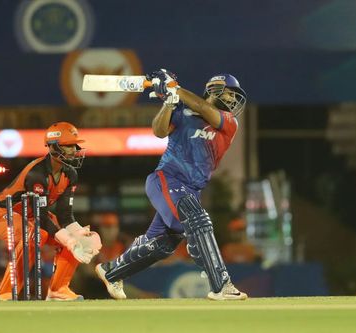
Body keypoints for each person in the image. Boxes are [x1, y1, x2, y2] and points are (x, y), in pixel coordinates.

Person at [96, 69, 248, 300]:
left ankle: (112, 271)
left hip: (192, 190)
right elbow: (158, 131)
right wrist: (169, 102)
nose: (233, 100)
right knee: (197, 221)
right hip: (167, 179)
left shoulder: (229, 123)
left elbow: (204, 108)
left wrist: (174, 88)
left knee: (162, 245)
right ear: (215, 90)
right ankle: (221, 285)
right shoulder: (181, 110)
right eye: (229, 94)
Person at [0, 122, 102, 301]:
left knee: (78, 240)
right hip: (2, 214)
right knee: (35, 235)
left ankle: (58, 290)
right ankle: (6, 292)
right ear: (53, 147)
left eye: (74, 145)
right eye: (68, 145)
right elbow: (41, 216)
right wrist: (70, 240)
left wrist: (78, 235)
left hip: (33, 214)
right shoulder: (37, 173)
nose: (74, 150)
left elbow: (64, 214)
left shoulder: (70, 173)